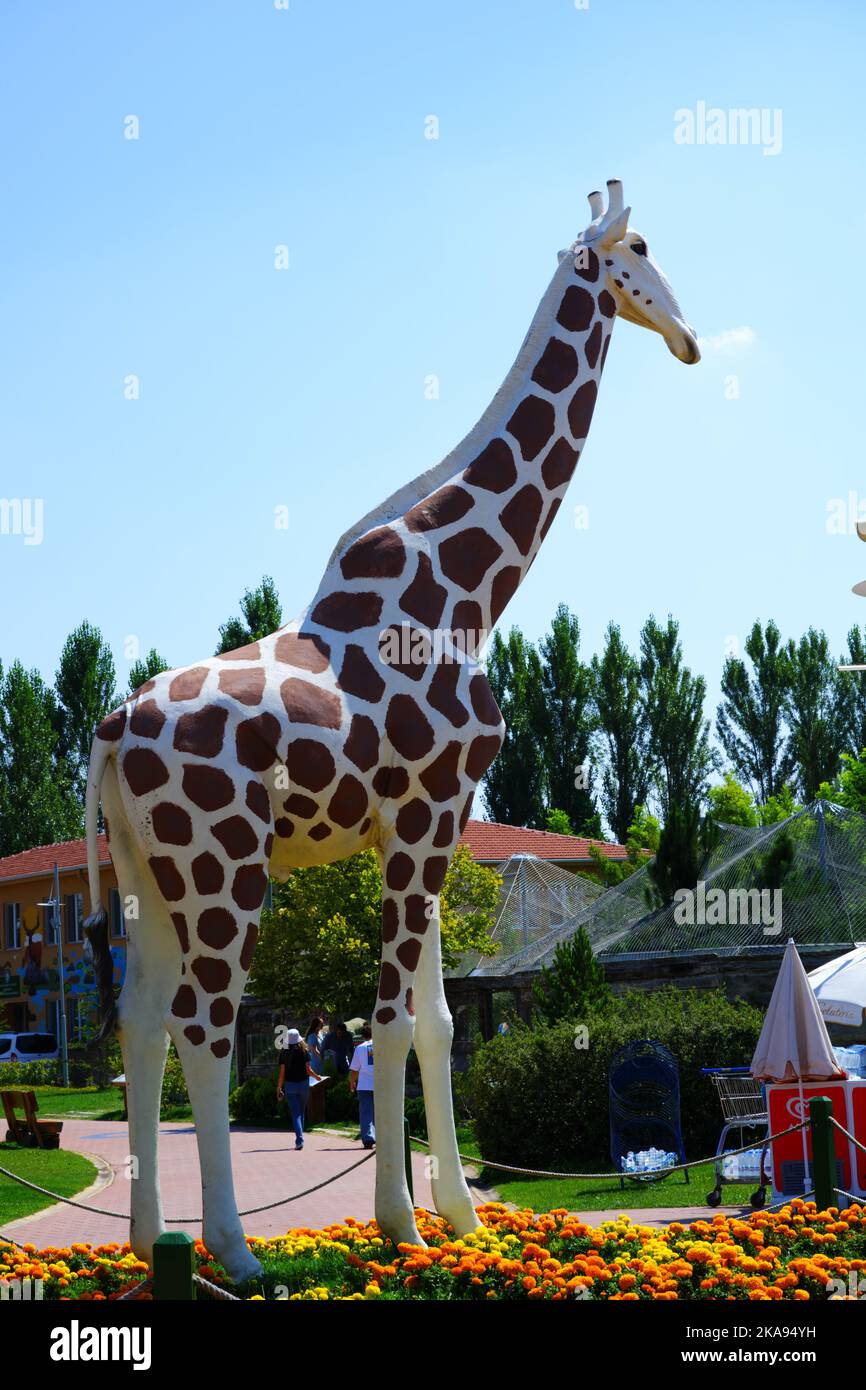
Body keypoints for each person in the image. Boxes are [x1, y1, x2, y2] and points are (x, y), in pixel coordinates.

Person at [276, 1028, 321, 1150]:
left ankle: (299, 1140)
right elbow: (308, 1070)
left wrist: (279, 1088)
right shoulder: (304, 1051)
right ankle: (300, 1137)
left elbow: (281, 1074)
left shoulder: (284, 1053)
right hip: (303, 1084)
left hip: (290, 1085)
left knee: (296, 1114)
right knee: (301, 1112)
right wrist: (317, 1077)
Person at [349, 1023, 375, 1148]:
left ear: (363, 1036)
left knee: (366, 1112)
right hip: (380, 1085)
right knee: (380, 1112)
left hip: (364, 1084)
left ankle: (368, 1137)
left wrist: (352, 1082)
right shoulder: (381, 1046)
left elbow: (354, 1069)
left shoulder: (359, 1048)